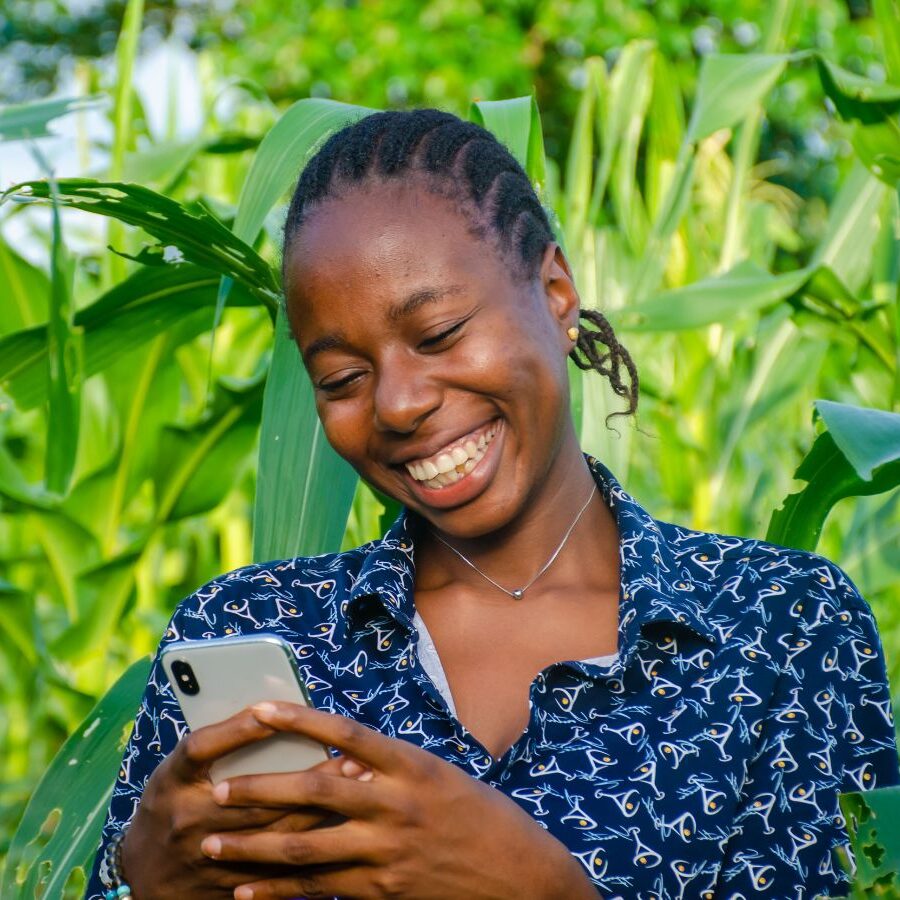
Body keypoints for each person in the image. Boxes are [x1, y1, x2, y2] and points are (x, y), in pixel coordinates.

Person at [86, 108, 899, 900]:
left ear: (555, 293)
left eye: (439, 334)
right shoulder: (249, 631)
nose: (398, 404)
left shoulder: (783, 628)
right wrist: (141, 886)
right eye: (341, 379)